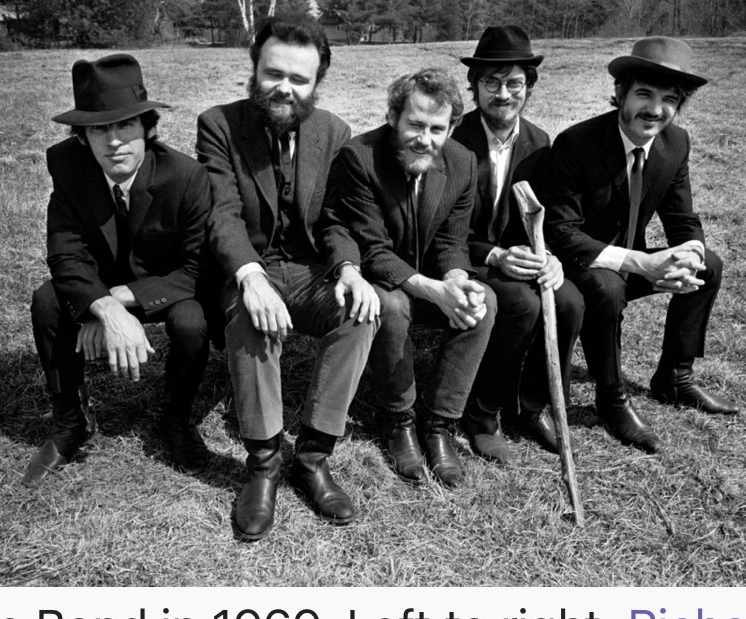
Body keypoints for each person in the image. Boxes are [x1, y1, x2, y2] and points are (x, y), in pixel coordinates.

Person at [196, 16, 378, 540]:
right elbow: (222, 213)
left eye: (299, 79)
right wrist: (249, 277)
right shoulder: (219, 125)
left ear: (317, 82)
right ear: (254, 69)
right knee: (250, 317)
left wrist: (349, 269)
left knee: (361, 313)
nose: (285, 88)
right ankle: (264, 464)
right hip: (249, 265)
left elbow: (337, 219)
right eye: (274, 73)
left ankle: (313, 458)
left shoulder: (334, 132)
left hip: (309, 269)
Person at [542, 37, 739, 454]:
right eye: (644, 94)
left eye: (670, 99)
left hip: (631, 262)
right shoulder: (576, 143)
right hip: (577, 265)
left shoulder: (676, 143)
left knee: (709, 265)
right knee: (608, 286)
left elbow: (683, 219)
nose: (655, 110)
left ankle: (675, 377)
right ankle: (611, 398)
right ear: (620, 94)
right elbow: (561, 231)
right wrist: (641, 263)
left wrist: (687, 257)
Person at [25, 54, 214, 487]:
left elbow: (196, 268)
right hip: (100, 284)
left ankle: (177, 417)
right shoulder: (69, 167)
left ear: (149, 128)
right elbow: (65, 256)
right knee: (47, 301)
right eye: (98, 129)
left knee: (191, 320)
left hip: (163, 285)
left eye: (126, 126)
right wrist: (101, 308)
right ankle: (71, 422)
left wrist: (118, 300)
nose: (113, 142)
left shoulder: (185, 176)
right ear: (82, 137)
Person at [323, 68, 496, 488]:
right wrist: (433, 290)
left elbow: (452, 242)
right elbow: (372, 249)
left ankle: (439, 423)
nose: (425, 139)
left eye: (437, 129)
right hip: (377, 279)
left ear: (451, 127)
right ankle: (398, 418)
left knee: (483, 300)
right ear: (393, 117)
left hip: (430, 279)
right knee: (393, 305)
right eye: (415, 125)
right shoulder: (358, 157)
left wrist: (456, 281)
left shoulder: (462, 162)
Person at [452, 25, 584, 462]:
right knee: (521, 304)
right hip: (463, 257)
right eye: (491, 83)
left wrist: (550, 259)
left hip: (515, 259)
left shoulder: (540, 143)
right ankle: (482, 412)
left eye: (514, 83)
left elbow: (544, 217)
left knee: (569, 301)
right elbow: (440, 229)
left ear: (529, 86)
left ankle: (531, 406)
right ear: (474, 86)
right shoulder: (452, 139)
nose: (504, 94)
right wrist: (494, 255)